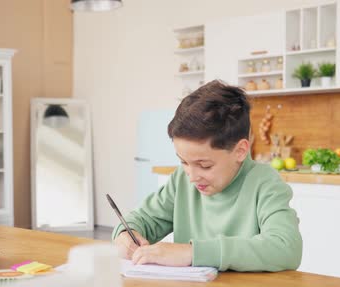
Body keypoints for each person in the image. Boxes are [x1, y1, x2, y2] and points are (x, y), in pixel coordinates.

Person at [112, 80, 302, 272]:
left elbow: (286, 248)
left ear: (240, 151)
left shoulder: (265, 183)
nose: (192, 176)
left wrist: (192, 253)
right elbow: (142, 219)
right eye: (184, 162)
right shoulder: (182, 180)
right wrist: (126, 235)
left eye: (204, 165)